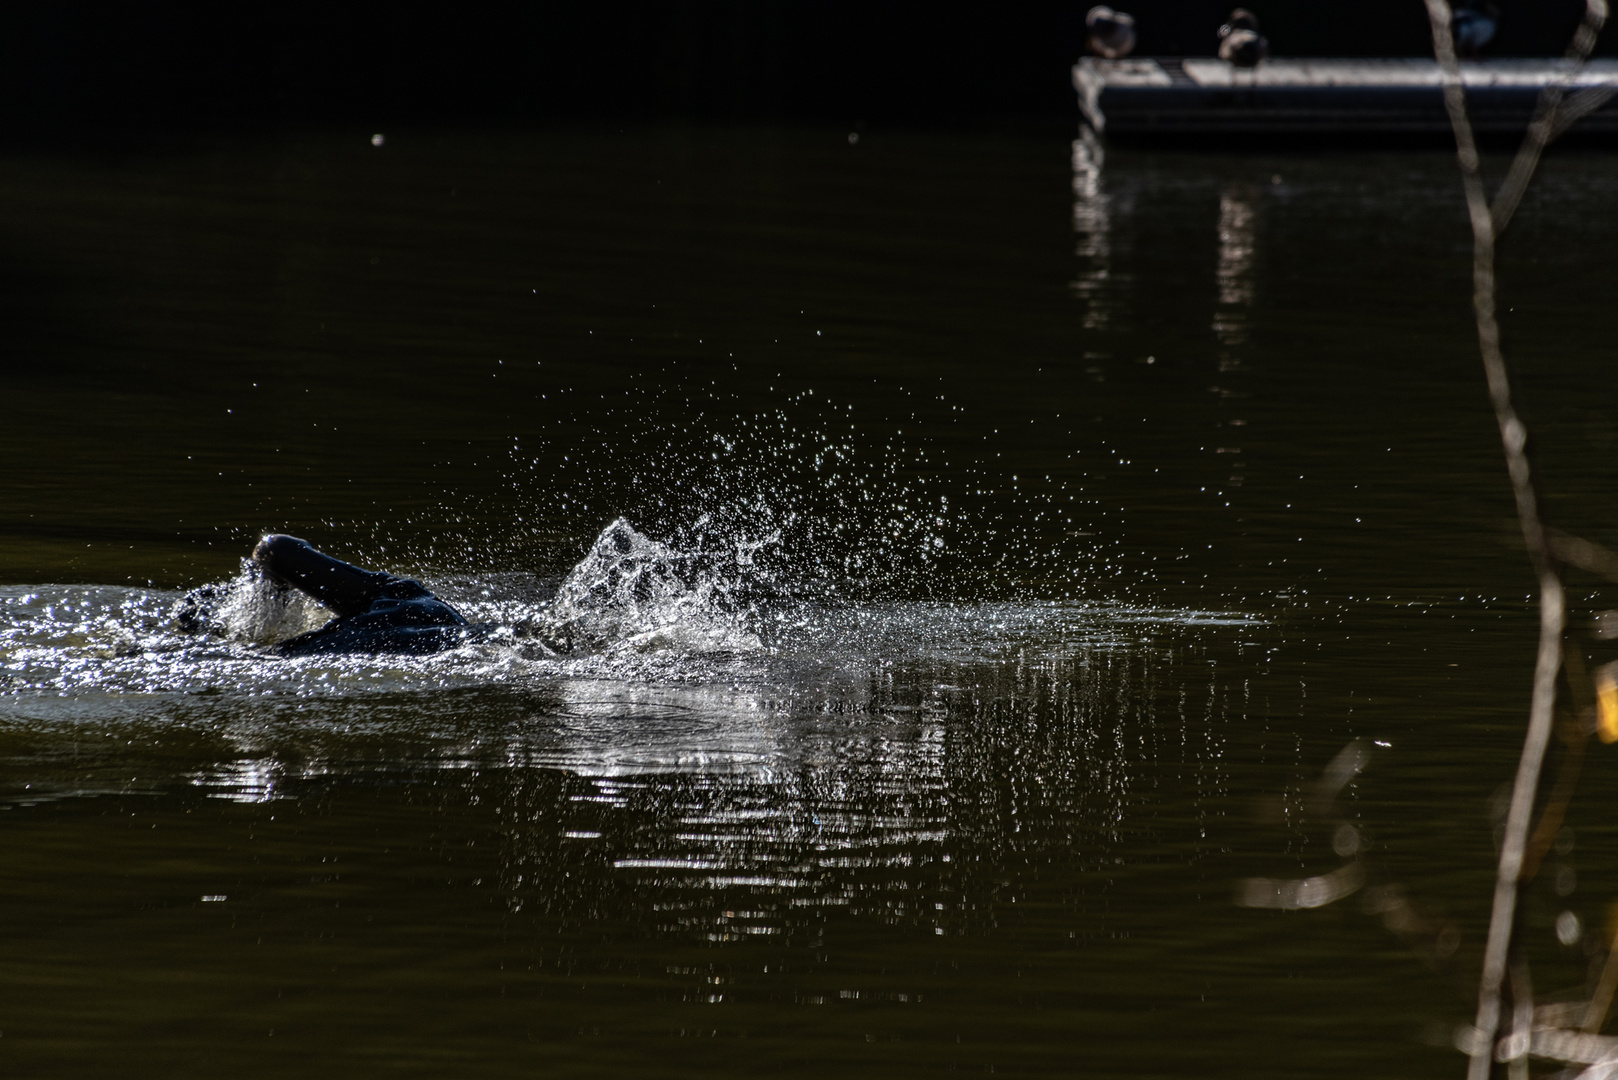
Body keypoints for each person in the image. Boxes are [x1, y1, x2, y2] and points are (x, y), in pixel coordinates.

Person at [248, 534, 473, 656]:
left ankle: (260, 630)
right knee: (275, 549)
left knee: (276, 549)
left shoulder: (346, 644)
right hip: (408, 608)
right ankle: (260, 631)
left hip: (408, 619)